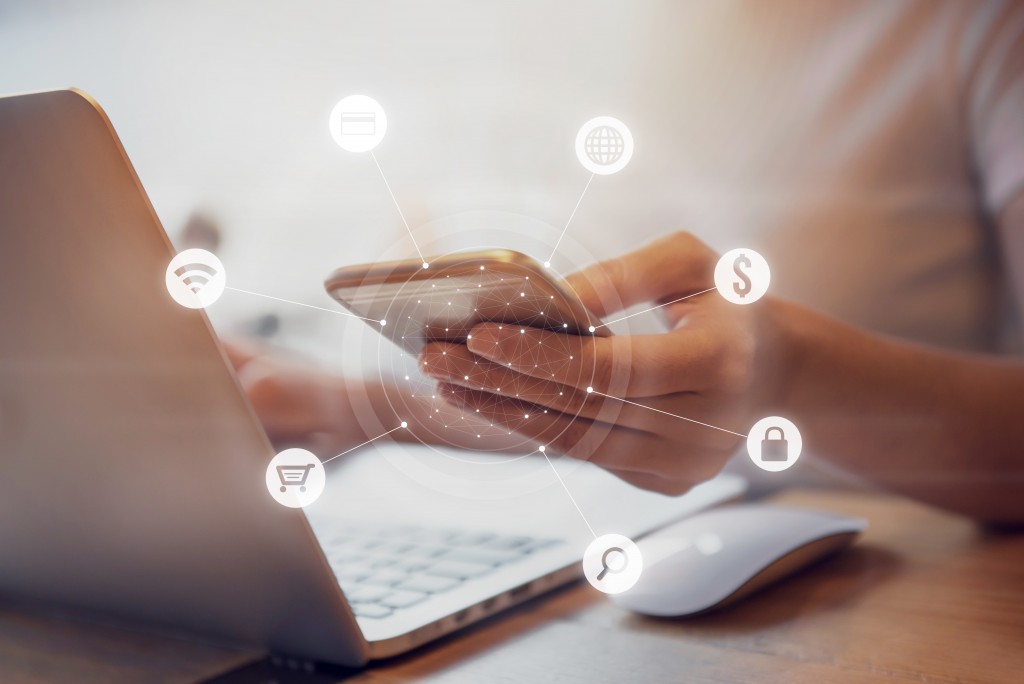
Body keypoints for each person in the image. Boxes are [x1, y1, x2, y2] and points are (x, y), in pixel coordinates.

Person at [225, 1, 1024, 524]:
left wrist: (790, 372)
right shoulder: (564, 38)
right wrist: (345, 404)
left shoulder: (979, 28)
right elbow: (591, 399)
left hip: (903, 586)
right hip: (623, 567)